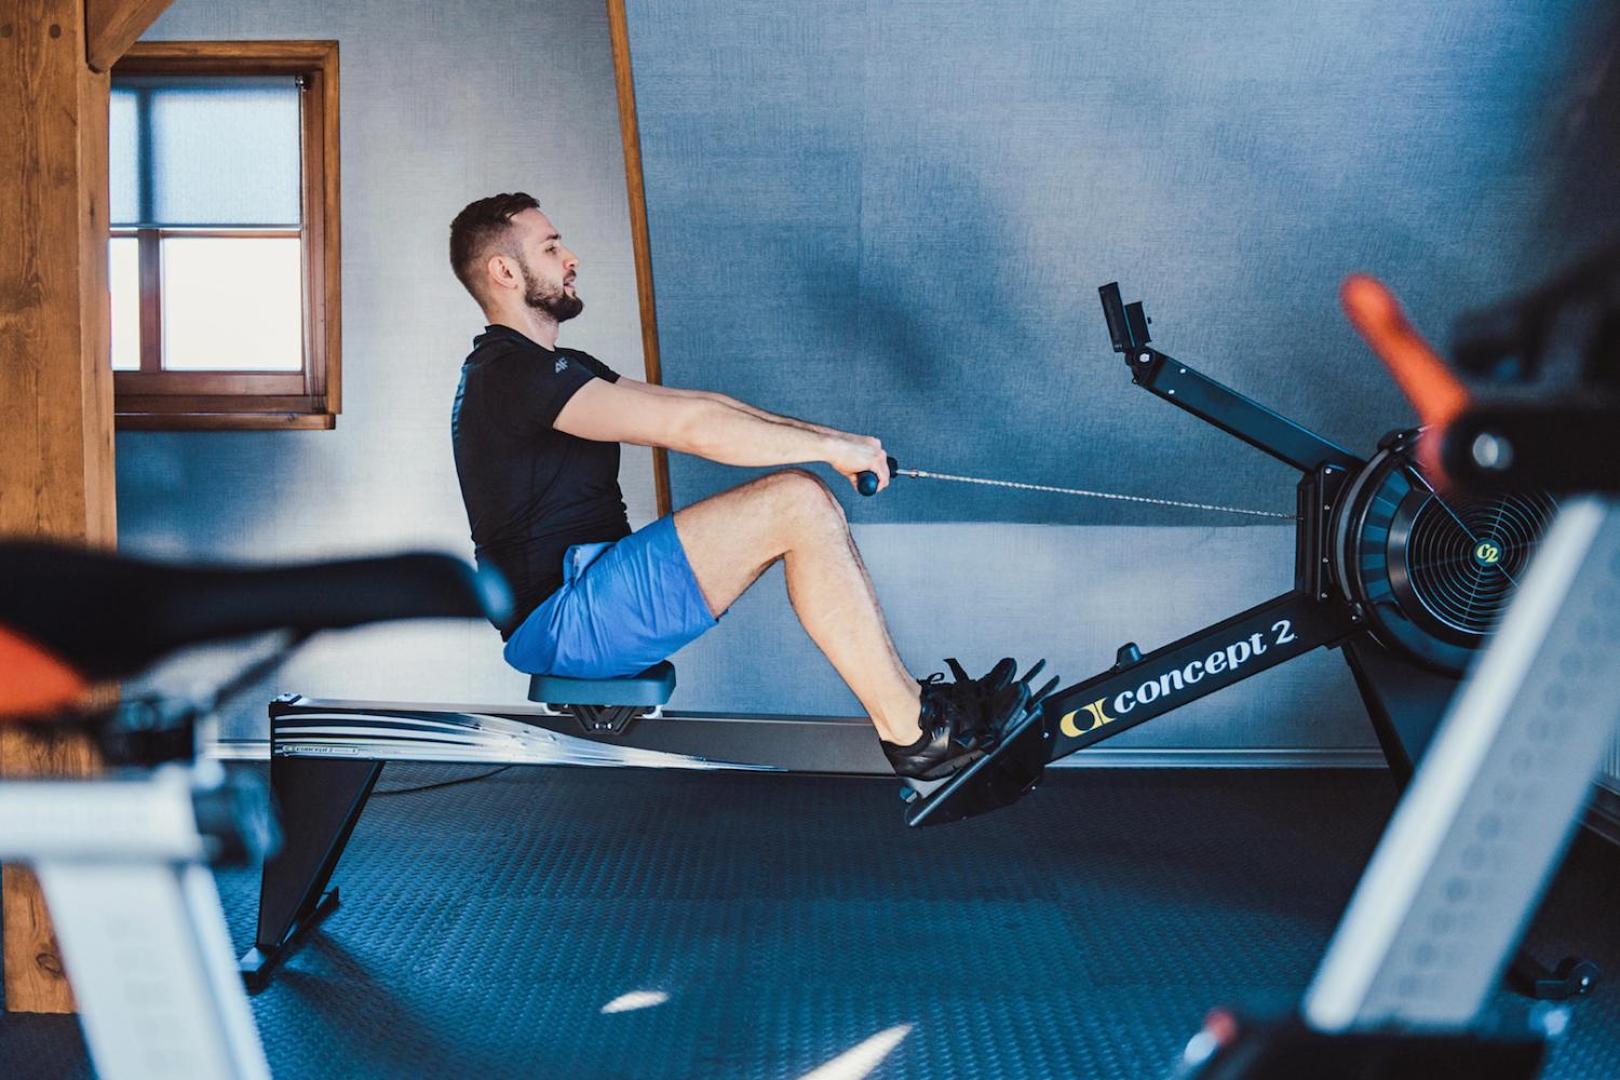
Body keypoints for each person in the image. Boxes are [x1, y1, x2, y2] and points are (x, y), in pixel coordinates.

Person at [447, 192, 1030, 781]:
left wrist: (838, 441)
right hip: (561, 619)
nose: (571, 257)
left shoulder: (561, 364)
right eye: (551, 248)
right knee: (796, 502)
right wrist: (832, 451)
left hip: (591, 588)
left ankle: (918, 711)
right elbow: (689, 429)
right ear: (505, 271)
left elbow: (703, 405)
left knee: (800, 497)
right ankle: (916, 734)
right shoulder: (508, 373)